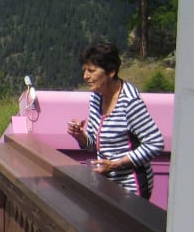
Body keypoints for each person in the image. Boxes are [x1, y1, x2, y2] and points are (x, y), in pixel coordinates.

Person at [67, 42, 164, 199]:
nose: (85, 76)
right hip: (107, 184)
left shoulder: (129, 102)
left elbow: (155, 143)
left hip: (132, 188)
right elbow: (94, 144)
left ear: (111, 71)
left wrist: (116, 164)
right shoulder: (97, 97)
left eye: (91, 70)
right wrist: (80, 135)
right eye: (84, 70)